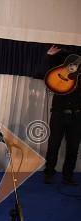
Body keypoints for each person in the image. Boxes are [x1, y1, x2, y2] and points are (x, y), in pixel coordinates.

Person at [38, 45, 81, 186]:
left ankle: (68, 176)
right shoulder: (59, 73)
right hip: (58, 113)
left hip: (77, 116)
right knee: (54, 145)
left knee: (73, 148)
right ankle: (49, 174)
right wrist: (48, 56)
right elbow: (41, 73)